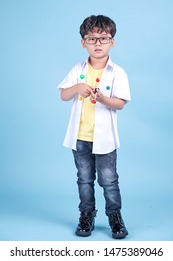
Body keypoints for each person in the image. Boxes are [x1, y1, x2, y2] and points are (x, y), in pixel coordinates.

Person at [58, 15, 131, 239]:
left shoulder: (117, 72)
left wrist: (103, 99)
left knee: (109, 180)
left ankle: (115, 217)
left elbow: (120, 103)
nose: (97, 43)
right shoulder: (77, 69)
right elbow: (63, 94)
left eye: (103, 38)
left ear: (112, 42)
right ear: (83, 42)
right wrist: (77, 87)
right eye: (91, 38)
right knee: (84, 179)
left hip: (105, 139)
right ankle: (86, 215)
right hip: (80, 137)